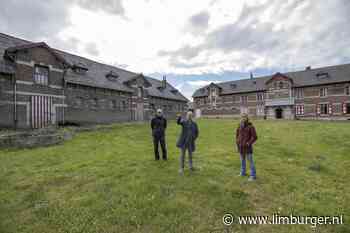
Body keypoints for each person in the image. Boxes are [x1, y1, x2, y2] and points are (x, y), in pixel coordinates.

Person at [236, 113, 258, 181]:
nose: (243, 118)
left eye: (244, 117)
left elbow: (254, 137)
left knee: (250, 161)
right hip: (241, 147)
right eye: (242, 117)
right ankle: (243, 172)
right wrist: (237, 144)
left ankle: (253, 175)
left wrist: (249, 143)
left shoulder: (250, 126)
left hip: (247, 147)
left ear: (247, 118)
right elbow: (237, 136)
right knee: (242, 161)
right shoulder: (239, 126)